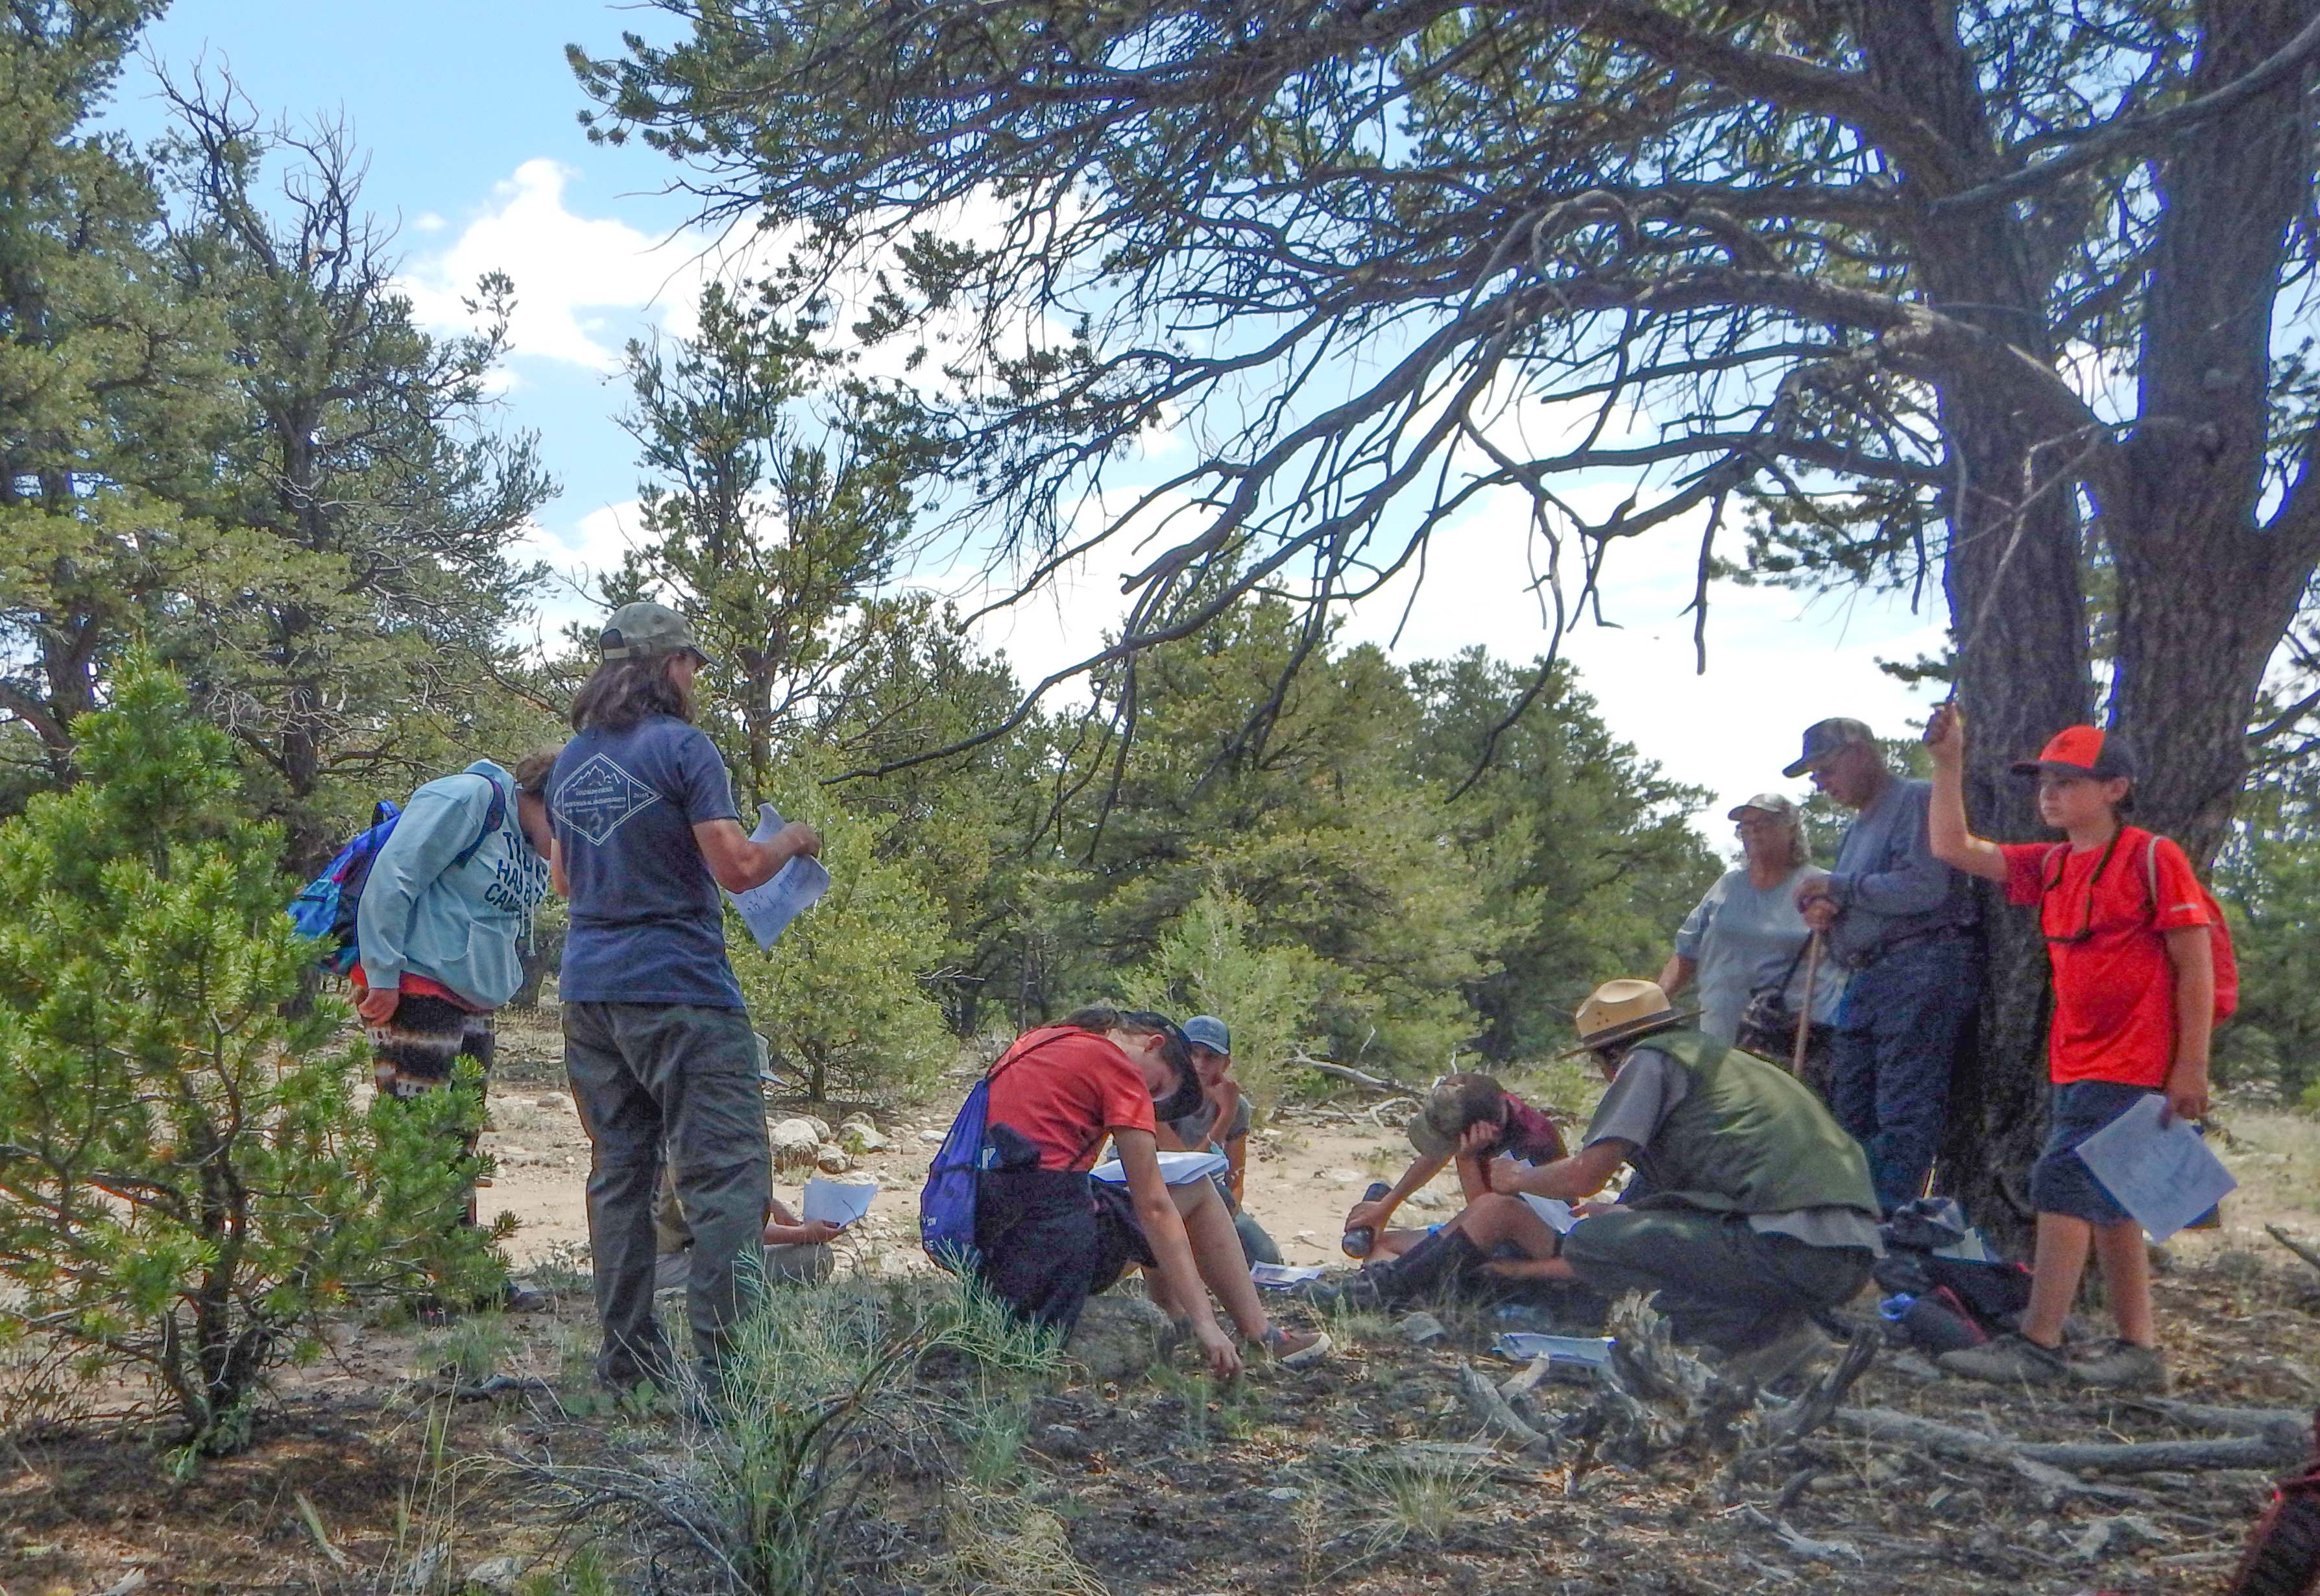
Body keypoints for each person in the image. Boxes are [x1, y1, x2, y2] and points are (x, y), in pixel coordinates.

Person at [548, 600, 823, 1394]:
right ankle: (729, 1377)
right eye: (692, 664)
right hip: (683, 993)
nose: (696, 677)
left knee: (620, 1177)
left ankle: (629, 1367)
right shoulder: (684, 747)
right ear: (669, 667)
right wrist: (795, 841)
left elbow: (565, 880)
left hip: (591, 991)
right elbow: (738, 866)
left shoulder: (572, 760)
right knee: (726, 1179)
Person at [1920, 708, 2212, 1390]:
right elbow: (1954, 847)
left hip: (2133, 1059)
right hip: (2076, 1060)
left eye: (2069, 781)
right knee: (2113, 1202)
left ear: (2115, 788)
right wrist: (1947, 763)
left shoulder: (2151, 856)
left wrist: (2191, 1063)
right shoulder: (2051, 865)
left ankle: (2039, 1343)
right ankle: (2139, 1350)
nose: (2049, 794)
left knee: (2063, 1184)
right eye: (2044, 781)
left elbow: (2193, 962)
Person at [1465, 980, 1881, 1377]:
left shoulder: (1649, 1061)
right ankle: (1779, 1329)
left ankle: (1763, 1338)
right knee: (1626, 1231)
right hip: (1846, 1254)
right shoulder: (1726, 1065)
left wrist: (1517, 1177)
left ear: (1609, 1055)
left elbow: (1584, 1177)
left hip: (1791, 1249)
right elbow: (1736, 1180)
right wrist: (1631, 1211)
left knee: (1592, 1243)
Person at [970, 1006, 1329, 1377]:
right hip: (1044, 1253)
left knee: (1132, 1202)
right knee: (1194, 1190)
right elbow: (1154, 1206)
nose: (1147, 1096)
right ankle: (1259, 1334)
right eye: (1155, 1088)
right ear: (1154, 1044)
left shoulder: (1039, 1040)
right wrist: (1208, 1322)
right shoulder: (1116, 1065)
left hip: (988, 1240)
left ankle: (1175, 1318)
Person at [354, 747, 561, 1310]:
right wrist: (382, 973)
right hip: (416, 986)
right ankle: (413, 1283)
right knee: (420, 1137)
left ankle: (462, 1274)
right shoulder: (468, 800)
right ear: (545, 798)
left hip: (472, 997)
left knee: (458, 1141)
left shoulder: (532, 849)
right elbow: (395, 877)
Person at [1786, 718, 1980, 1213]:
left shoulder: (1915, 800)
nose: (1822, 784)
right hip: (1867, 977)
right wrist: (1829, 913)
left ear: (1861, 753)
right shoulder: (1856, 829)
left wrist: (1841, 888)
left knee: (1903, 1109)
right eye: (1814, 777)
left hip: (1921, 965)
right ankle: (1855, 1218)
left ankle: (1888, 1226)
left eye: (1827, 770)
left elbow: (1925, 886)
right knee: (1851, 1110)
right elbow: (1861, 896)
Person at [1316, 1073, 1569, 1302]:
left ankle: (1393, 1294)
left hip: (1527, 1247)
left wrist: (1467, 1158)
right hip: (1489, 1231)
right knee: (1383, 1245)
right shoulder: (1482, 1099)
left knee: (1422, 1261)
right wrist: (1387, 1205)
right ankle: (1395, 1293)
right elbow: (1439, 1151)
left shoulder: (1531, 1142)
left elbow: (1486, 1220)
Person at [1660, 793, 1842, 1083]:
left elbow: (1853, 953)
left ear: (1791, 827)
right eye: (1745, 826)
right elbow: (1686, 951)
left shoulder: (1819, 887)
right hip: (1720, 1038)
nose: (1753, 832)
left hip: (1793, 1043)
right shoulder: (1727, 887)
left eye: (1764, 823)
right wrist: (1655, 1001)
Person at [1153, 1014, 1282, 1265]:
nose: (1200, 1064)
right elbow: (1186, 1166)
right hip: (1161, 1196)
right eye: (1193, 1053)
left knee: (1266, 1256)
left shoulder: (1238, 1107)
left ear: (1225, 1063)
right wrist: (1226, 1116)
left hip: (1213, 1197)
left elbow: (1236, 1178)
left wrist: (1230, 1213)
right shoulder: (1160, 1098)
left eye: (1211, 1057)